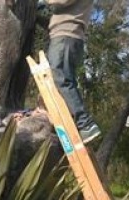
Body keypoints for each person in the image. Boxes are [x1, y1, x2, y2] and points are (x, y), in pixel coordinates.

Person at [42, 0, 100, 144]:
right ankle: (78, 122)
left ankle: (85, 123)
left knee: (61, 78)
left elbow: (59, 2)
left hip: (66, 33)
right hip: (67, 34)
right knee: (66, 79)